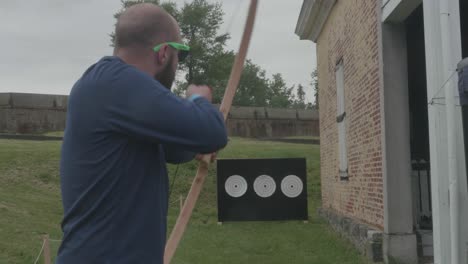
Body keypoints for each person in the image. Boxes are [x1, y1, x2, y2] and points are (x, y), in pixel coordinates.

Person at [56, 3, 227, 264]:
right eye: (179, 54)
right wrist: (198, 100)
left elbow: (173, 148)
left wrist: (195, 146)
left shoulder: (113, 90)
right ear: (164, 53)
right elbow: (213, 132)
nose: (178, 62)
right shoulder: (114, 82)